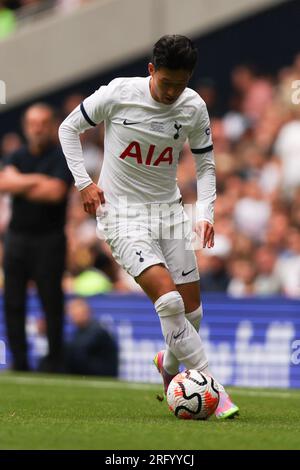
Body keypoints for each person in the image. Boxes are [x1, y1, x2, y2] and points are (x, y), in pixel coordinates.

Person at [59, 35, 239, 418]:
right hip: (122, 215)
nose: (173, 91)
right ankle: (211, 387)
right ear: (151, 70)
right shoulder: (118, 93)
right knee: (169, 301)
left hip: (170, 213)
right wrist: (85, 183)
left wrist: (205, 212)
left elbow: (206, 165)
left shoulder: (193, 108)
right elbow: (68, 129)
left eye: (181, 83)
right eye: (166, 82)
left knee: (193, 315)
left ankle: (168, 364)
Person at [0, 103, 73, 372]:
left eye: (42, 123)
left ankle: (55, 361)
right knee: (13, 302)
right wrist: (37, 182)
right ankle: (19, 362)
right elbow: (4, 184)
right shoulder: (15, 154)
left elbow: (55, 192)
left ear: (52, 124)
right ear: (25, 126)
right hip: (17, 238)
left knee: (51, 302)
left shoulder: (60, 157)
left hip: (49, 239)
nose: (37, 129)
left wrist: (21, 182)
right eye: (32, 123)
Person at [64, 297, 118, 376]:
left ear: (86, 313)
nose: (73, 317)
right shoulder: (79, 331)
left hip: (103, 374)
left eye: (76, 313)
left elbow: (80, 347)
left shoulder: (97, 330)